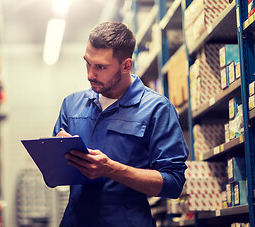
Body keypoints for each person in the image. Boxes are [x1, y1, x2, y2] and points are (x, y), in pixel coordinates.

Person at [53, 21, 189, 227]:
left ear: (126, 65)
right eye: (87, 63)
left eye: (100, 67)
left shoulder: (156, 109)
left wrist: (111, 169)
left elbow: (173, 184)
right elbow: (54, 176)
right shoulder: (71, 105)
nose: (90, 74)